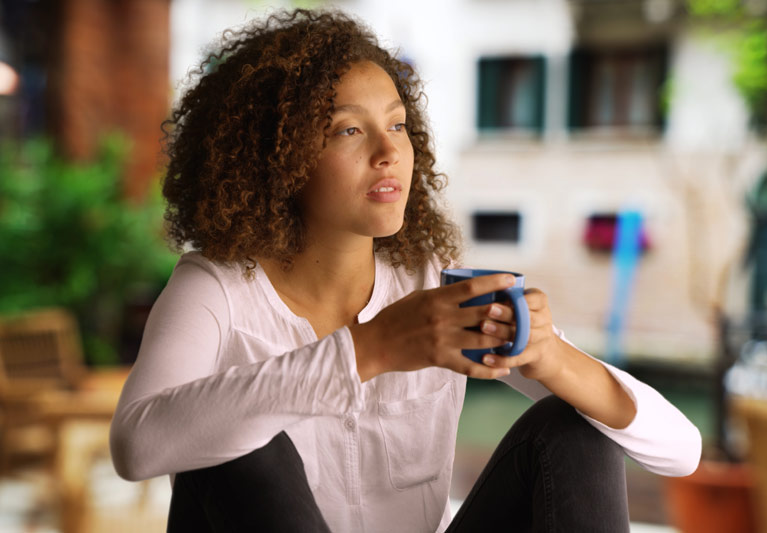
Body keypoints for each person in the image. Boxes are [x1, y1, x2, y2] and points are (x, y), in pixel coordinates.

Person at [110, 8, 701, 533]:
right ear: (275, 157)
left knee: (572, 426)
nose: (389, 152)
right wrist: (372, 349)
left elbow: (682, 450)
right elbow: (136, 445)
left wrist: (549, 357)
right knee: (237, 439)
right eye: (348, 130)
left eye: (397, 125)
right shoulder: (215, 288)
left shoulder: (434, 286)